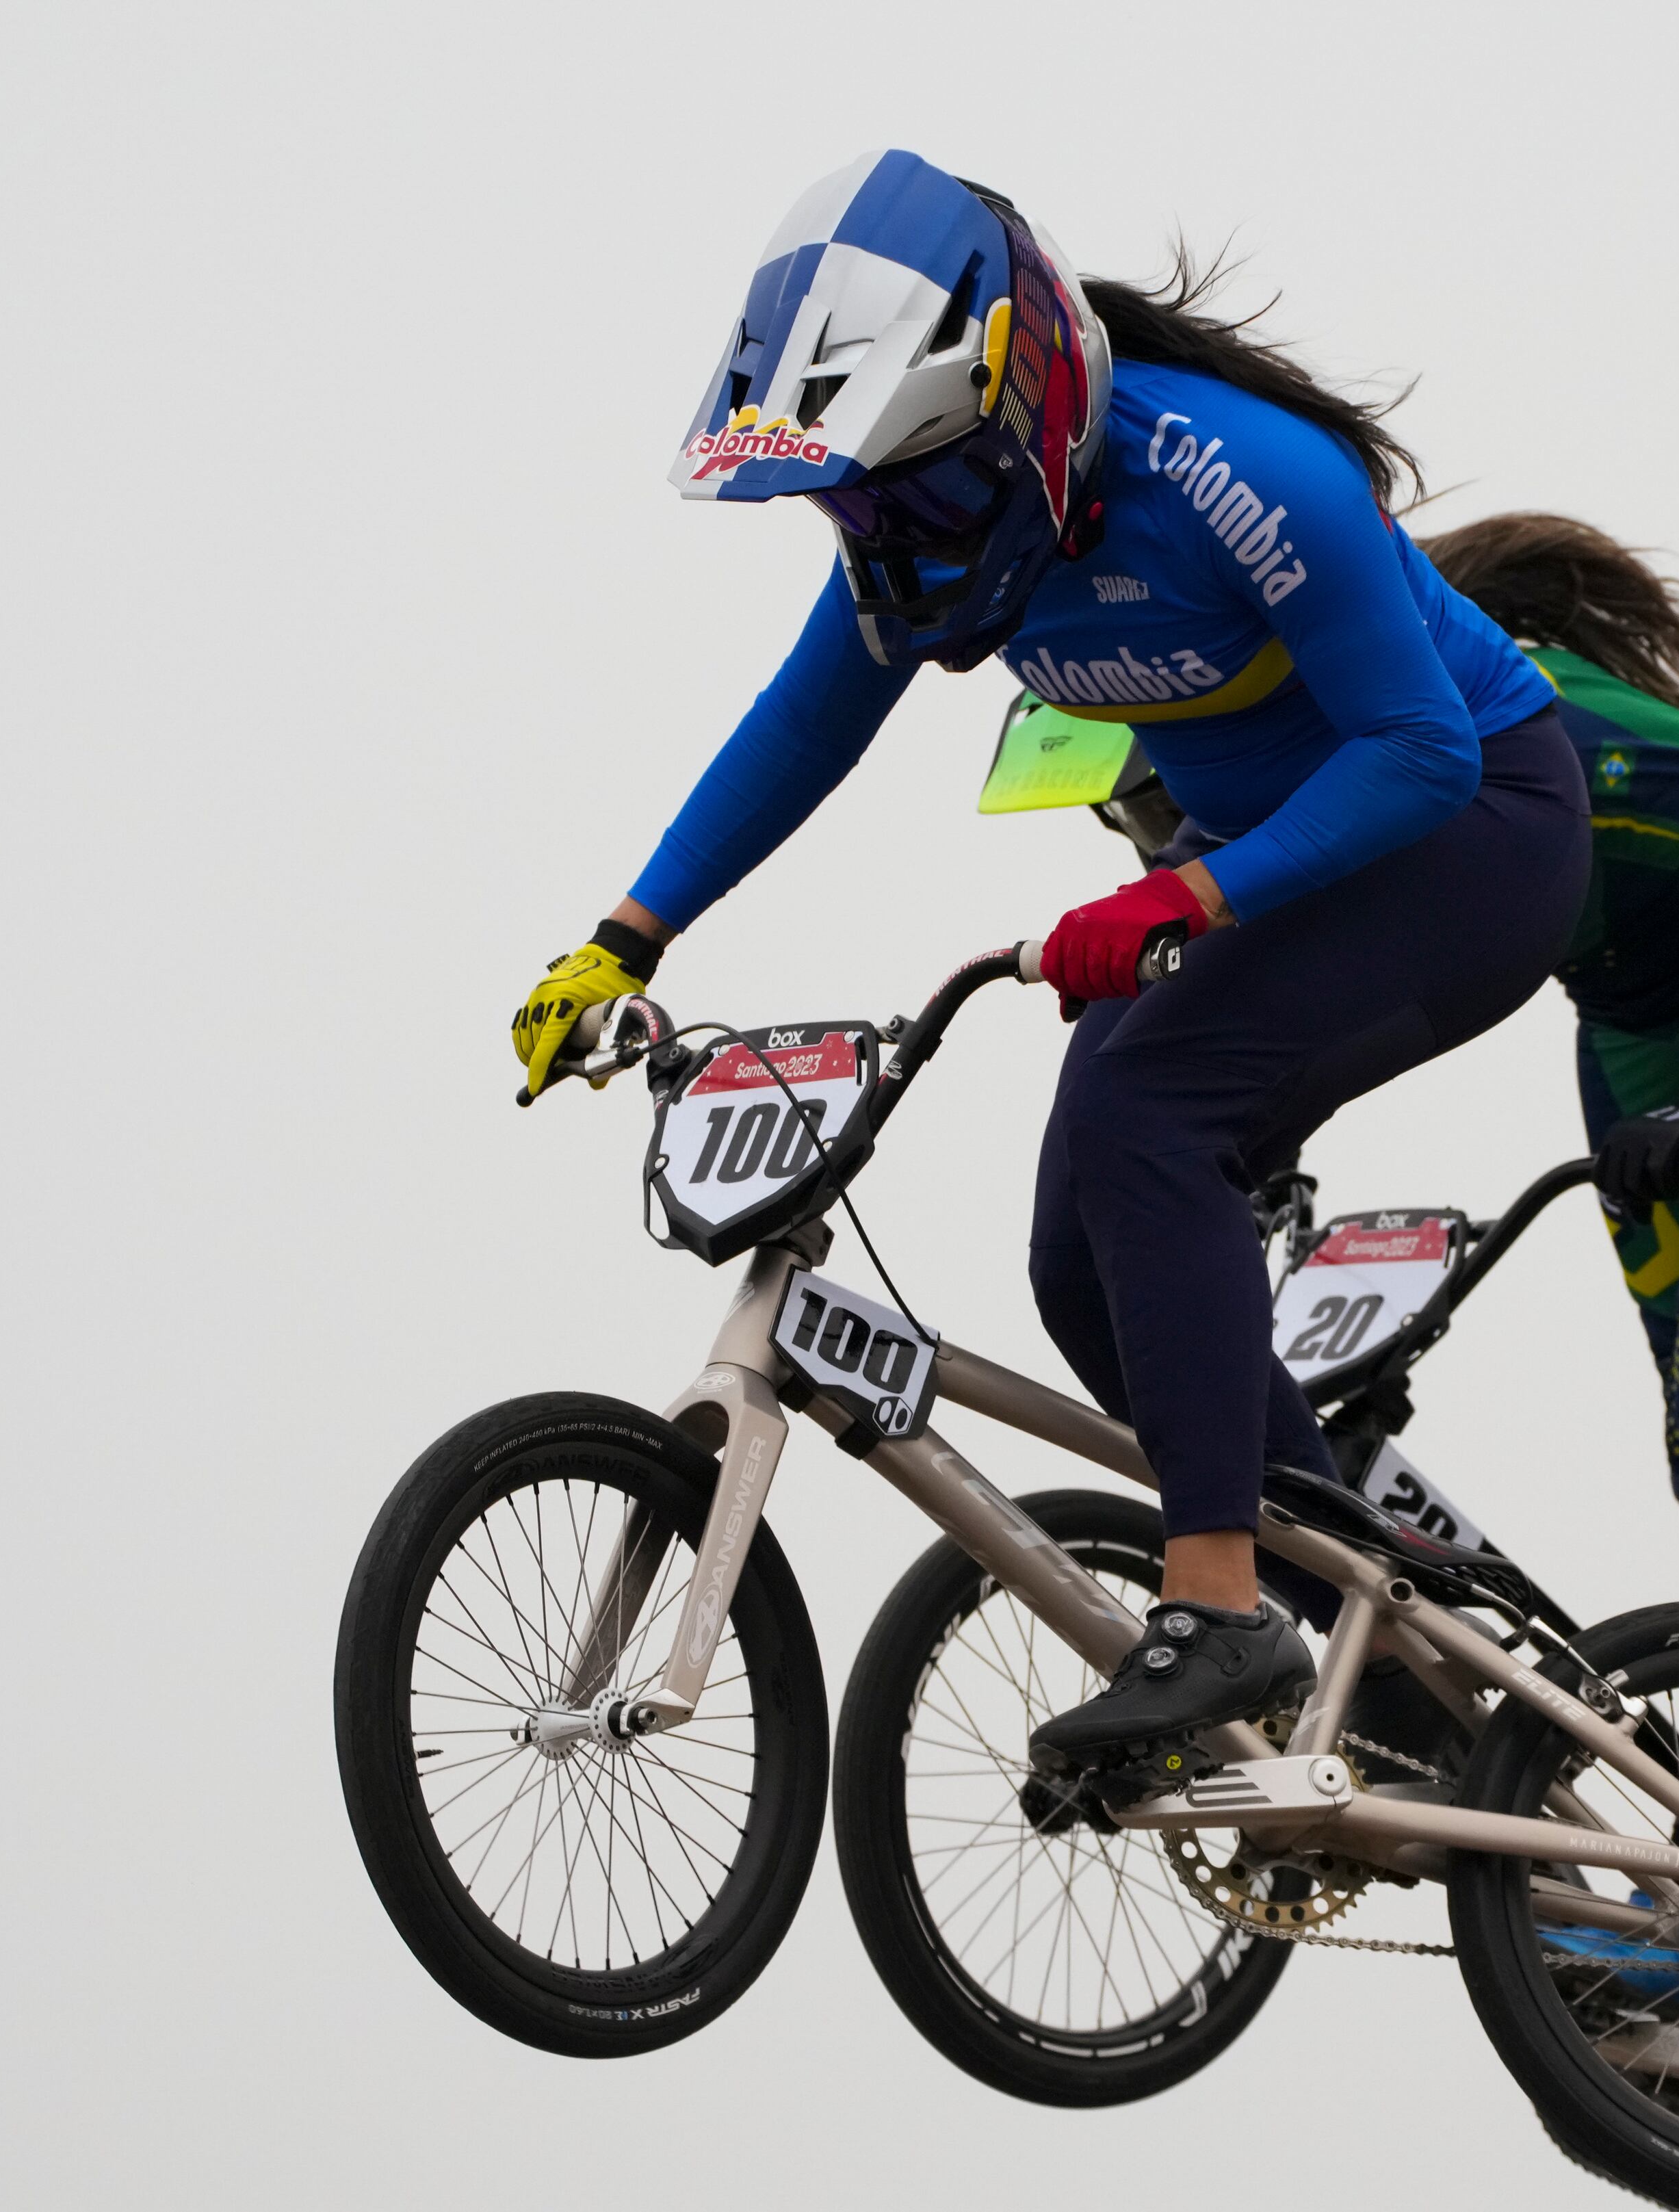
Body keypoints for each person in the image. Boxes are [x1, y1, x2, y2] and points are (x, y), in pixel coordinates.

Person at [509, 151, 1586, 1771]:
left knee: (1154, 1118)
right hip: (1274, 876)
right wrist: (620, 941)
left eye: (918, 489)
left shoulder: (1241, 476)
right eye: (851, 501)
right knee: (1083, 1260)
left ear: (1027, 406)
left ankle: (1221, 1611)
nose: (889, 538)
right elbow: (802, 727)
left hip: (1474, 836)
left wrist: (1188, 898)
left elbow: (1421, 754)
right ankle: (1386, 1642)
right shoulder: (928, 542)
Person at [985, 515, 1679, 1795]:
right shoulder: (1305, 780)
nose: (1158, 842)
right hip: (1631, 1020)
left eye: (1149, 801)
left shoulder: (1551, 727)